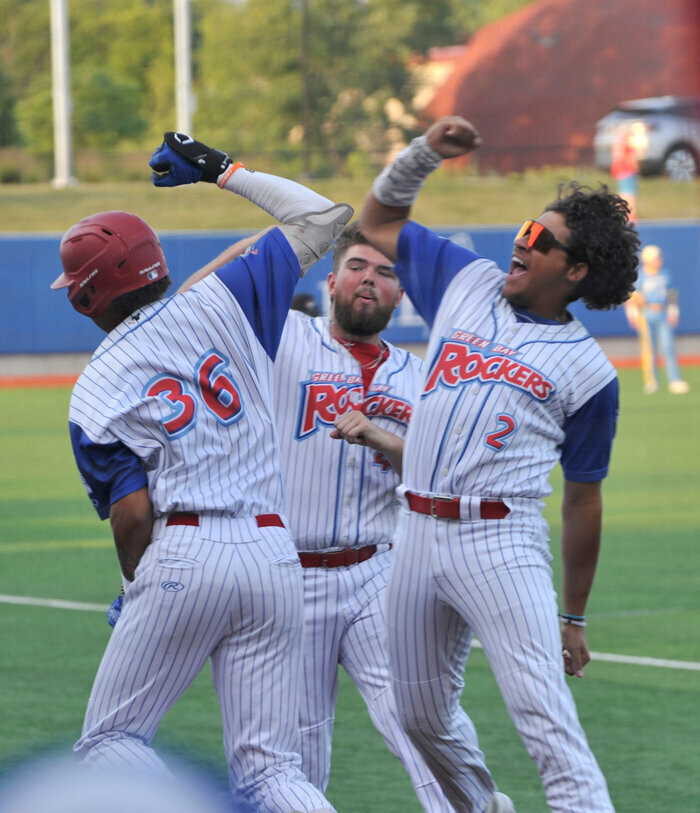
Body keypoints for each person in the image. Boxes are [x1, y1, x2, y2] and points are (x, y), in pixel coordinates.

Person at [51, 130, 353, 813]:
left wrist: (137, 587)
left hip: (188, 548)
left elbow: (132, 517)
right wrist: (223, 169)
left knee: (110, 740)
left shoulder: (96, 387)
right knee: (272, 770)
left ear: (85, 298)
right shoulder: (224, 297)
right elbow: (322, 216)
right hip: (276, 550)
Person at [179, 222, 514, 812]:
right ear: (332, 281)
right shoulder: (282, 339)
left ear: (400, 295)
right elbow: (193, 305)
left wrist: (385, 438)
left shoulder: (421, 377)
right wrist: (271, 234)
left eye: (386, 273)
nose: (371, 280)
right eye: (358, 266)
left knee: (421, 719)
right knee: (296, 754)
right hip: (286, 576)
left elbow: (453, 469)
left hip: (377, 574)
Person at [358, 115, 639, 813]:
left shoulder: (588, 371)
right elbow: (379, 216)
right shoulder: (466, 281)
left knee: (546, 723)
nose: (522, 240)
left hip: (500, 542)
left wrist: (573, 613)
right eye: (525, 226)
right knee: (418, 717)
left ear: (574, 271)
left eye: (541, 239)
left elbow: (584, 500)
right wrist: (424, 153)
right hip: (414, 531)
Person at [625, 244, 689, 394]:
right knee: (649, 350)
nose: (660, 260)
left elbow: (672, 295)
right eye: (657, 258)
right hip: (646, 315)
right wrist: (633, 315)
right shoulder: (640, 276)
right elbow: (632, 298)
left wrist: (674, 313)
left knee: (668, 347)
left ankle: (674, 380)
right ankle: (652, 381)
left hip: (663, 314)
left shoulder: (665, 274)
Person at [610, 125, 640, 222]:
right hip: (626, 172)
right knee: (628, 194)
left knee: (626, 193)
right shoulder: (624, 145)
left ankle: (626, 213)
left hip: (625, 172)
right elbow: (629, 159)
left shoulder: (621, 145)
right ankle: (630, 215)